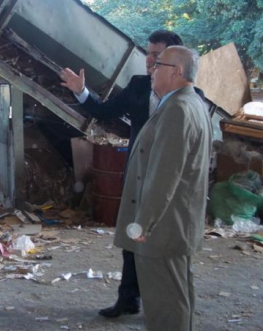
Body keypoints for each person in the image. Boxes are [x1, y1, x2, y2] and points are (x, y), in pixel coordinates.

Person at [60, 30, 193, 318]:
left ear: (174, 62)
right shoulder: (138, 85)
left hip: (168, 185)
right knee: (131, 241)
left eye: (157, 56)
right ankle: (128, 299)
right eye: (148, 53)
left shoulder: (189, 100)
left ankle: (168, 309)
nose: (149, 61)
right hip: (137, 177)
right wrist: (80, 90)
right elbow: (104, 111)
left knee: (165, 248)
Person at [114, 46, 211, 331]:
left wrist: (143, 224)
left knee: (165, 303)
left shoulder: (178, 109)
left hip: (163, 227)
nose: (152, 69)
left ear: (177, 72)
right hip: (176, 220)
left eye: (159, 64)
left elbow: (163, 175)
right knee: (177, 294)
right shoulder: (190, 103)